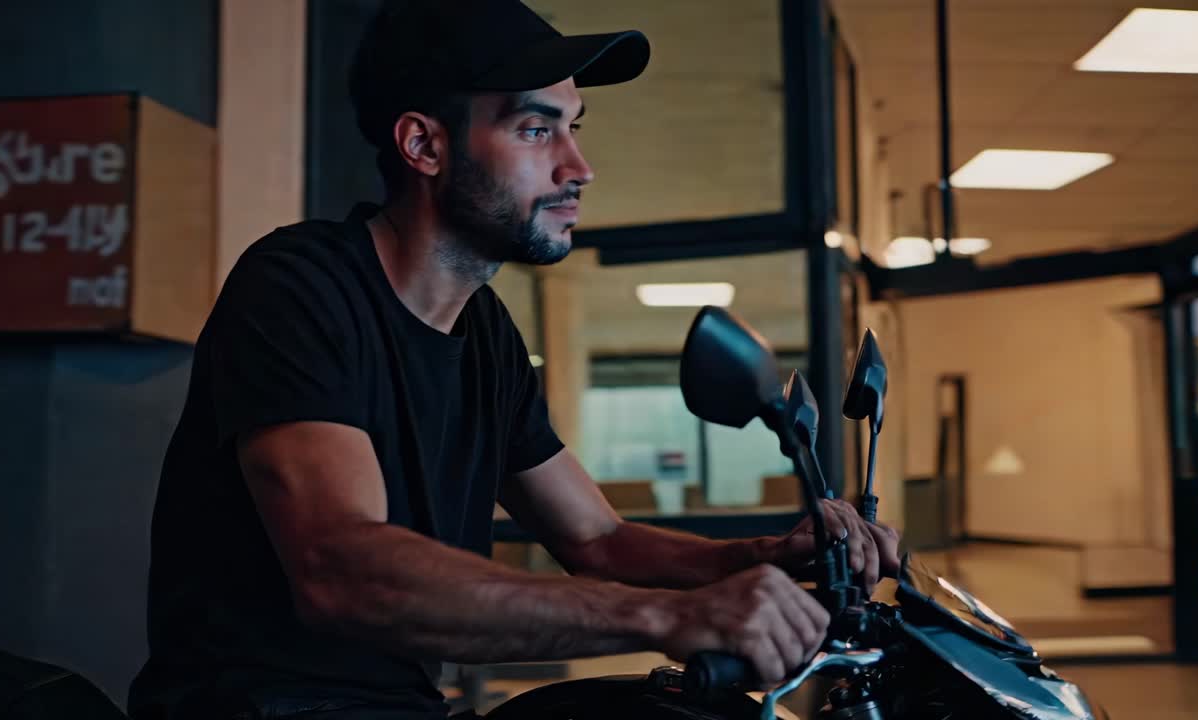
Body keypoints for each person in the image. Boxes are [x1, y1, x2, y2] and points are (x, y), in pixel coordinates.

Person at [128, 1, 900, 718]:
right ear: (423, 145)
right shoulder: (301, 286)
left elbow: (596, 541)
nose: (578, 167)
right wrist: (672, 615)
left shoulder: (485, 335)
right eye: (537, 130)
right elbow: (341, 568)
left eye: (574, 127)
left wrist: (768, 555)